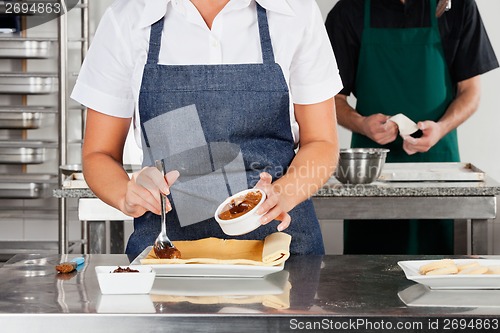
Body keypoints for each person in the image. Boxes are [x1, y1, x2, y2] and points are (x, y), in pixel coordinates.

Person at [71, 0, 342, 260]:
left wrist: (285, 193)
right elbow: (99, 154)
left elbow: (321, 141)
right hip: (169, 251)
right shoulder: (127, 18)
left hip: (279, 250)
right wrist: (125, 194)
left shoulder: (295, 13)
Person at [326, 0, 498, 254]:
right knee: (368, 277)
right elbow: (332, 100)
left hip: (439, 169)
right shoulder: (349, 11)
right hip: (369, 172)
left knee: (438, 270)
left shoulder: (458, 7)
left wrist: (440, 128)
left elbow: (470, 92)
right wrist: (362, 124)